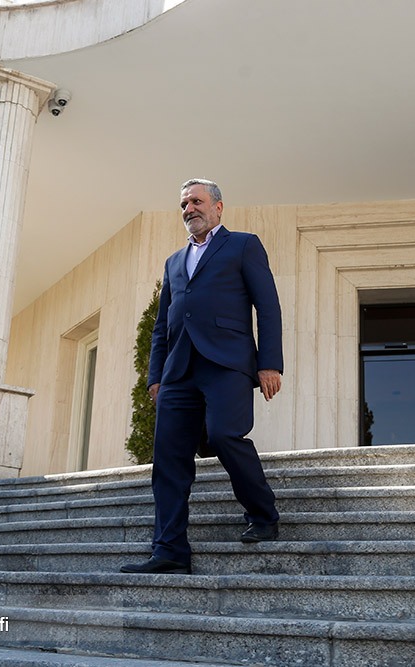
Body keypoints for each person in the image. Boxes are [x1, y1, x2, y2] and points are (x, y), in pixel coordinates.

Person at [121, 178, 283, 575]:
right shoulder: (174, 262)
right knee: (169, 459)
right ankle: (170, 550)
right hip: (178, 371)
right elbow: (162, 325)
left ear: (218, 206)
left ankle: (263, 514)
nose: (189, 209)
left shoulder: (243, 245)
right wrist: (155, 377)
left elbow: (268, 306)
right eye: (183, 204)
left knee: (225, 435)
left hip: (226, 362)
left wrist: (269, 363)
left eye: (196, 201)